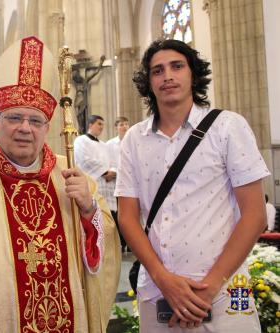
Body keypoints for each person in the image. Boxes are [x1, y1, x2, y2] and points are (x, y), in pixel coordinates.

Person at [0, 36, 121, 333]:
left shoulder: (69, 174)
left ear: (47, 128)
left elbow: (103, 257)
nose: (24, 128)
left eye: (35, 121)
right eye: (14, 118)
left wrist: (88, 210)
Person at [115, 39, 270, 332]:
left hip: (225, 292)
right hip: (157, 291)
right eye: (157, 71)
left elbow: (254, 214)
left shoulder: (228, 126)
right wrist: (163, 279)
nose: (168, 76)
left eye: (177, 66)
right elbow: (127, 217)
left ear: (193, 75)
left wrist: (209, 288)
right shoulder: (134, 140)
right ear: (148, 82)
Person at [74, 115, 118, 240]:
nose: (102, 127)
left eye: (103, 124)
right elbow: (84, 160)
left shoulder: (104, 145)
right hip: (93, 183)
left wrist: (113, 172)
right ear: (90, 125)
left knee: (109, 215)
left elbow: (113, 162)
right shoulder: (81, 140)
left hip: (107, 184)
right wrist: (105, 172)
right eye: (99, 124)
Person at [106, 116, 130, 251]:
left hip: (129, 181)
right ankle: (120, 242)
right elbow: (108, 162)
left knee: (130, 212)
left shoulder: (132, 141)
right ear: (116, 127)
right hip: (114, 182)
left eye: (126, 124)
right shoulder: (109, 144)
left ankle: (130, 243)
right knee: (118, 213)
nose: (124, 126)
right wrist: (115, 171)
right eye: (121, 124)